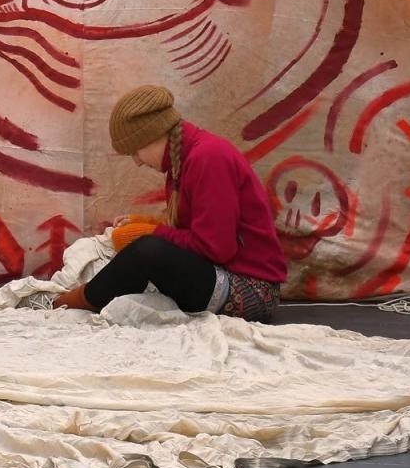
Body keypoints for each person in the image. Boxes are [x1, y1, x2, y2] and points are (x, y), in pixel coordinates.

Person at [53, 85, 286, 320]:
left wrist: (154, 233)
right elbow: (194, 231)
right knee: (133, 251)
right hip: (221, 274)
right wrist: (147, 224)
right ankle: (81, 295)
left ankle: (67, 303)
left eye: (135, 152)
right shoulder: (180, 163)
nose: (137, 162)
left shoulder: (209, 157)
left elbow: (217, 248)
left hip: (251, 292)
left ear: (153, 135)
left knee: (146, 251)